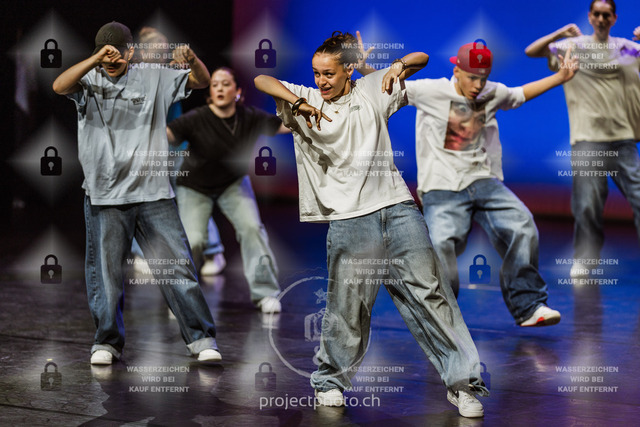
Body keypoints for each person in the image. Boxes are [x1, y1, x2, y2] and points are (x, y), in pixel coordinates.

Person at [255, 31, 489, 418]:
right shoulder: (306, 98)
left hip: (397, 208)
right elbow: (261, 79)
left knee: (431, 295)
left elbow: (422, 55)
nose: (321, 81)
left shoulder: (370, 89)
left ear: (348, 70)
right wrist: (298, 102)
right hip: (349, 219)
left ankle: (463, 384)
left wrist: (396, 66)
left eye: (329, 73)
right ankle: (330, 381)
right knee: (347, 306)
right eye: (316, 73)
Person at [52, 21, 221, 365]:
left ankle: (201, 339)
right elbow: (59, 86)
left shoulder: (153, 76)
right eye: (104, 54)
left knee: (177, 268)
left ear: (130, 52)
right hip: (105, 194)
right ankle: (106, 342)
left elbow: (201, 81)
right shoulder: (89, 79)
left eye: (116, 54)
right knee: (107, 275)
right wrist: (95, 59)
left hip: (153, 192)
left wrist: (192, 60)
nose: (110, 61)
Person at [391, 40, 577, 327]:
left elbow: (519, 94)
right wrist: (376, 70)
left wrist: (561, 77)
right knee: (441, 244)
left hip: (483, 181)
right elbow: (389, 87)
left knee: (522, 225)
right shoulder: (431, 90)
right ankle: (443, 318)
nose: (478, 85)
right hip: (442, 186)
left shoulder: (492, 91)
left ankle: (528, 306)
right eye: (471, 78)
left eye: (483, 78)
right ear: (456, 71)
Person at [525, 0, 640, 278]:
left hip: (622, 137)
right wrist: (559, 33)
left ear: (614, 18)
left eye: (606, 14)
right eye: (596, 14)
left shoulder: (626, 48)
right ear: (590, 17)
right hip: (587, 138)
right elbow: (532, 51)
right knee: (587, 204)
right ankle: (586, 260)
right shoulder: (573, 46)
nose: (601, 19)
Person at [167, 67, 288, 313]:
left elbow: (284, 127)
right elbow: (167, 135)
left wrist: (311, 111)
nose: (220, 88)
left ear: (237, 91)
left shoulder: (250, 117)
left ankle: (266, 293)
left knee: (252, 229)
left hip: (233, 184)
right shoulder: (197, 118)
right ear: (210, 93)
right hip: (195, 187)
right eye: (215, 85)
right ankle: (181, 297)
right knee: (194, 240)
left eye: (225, 84)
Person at [130, 26, 227, 277]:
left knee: (191, 199)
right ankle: (142, 252)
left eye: (164, 51)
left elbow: (201, 79)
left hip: (177, 151)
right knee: (143, 202)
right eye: (156, 52)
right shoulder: (133, 76)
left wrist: (189, 60)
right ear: (143, 53)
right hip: (147, 152)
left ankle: (213, 251)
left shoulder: (171, 73)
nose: (161, 56)